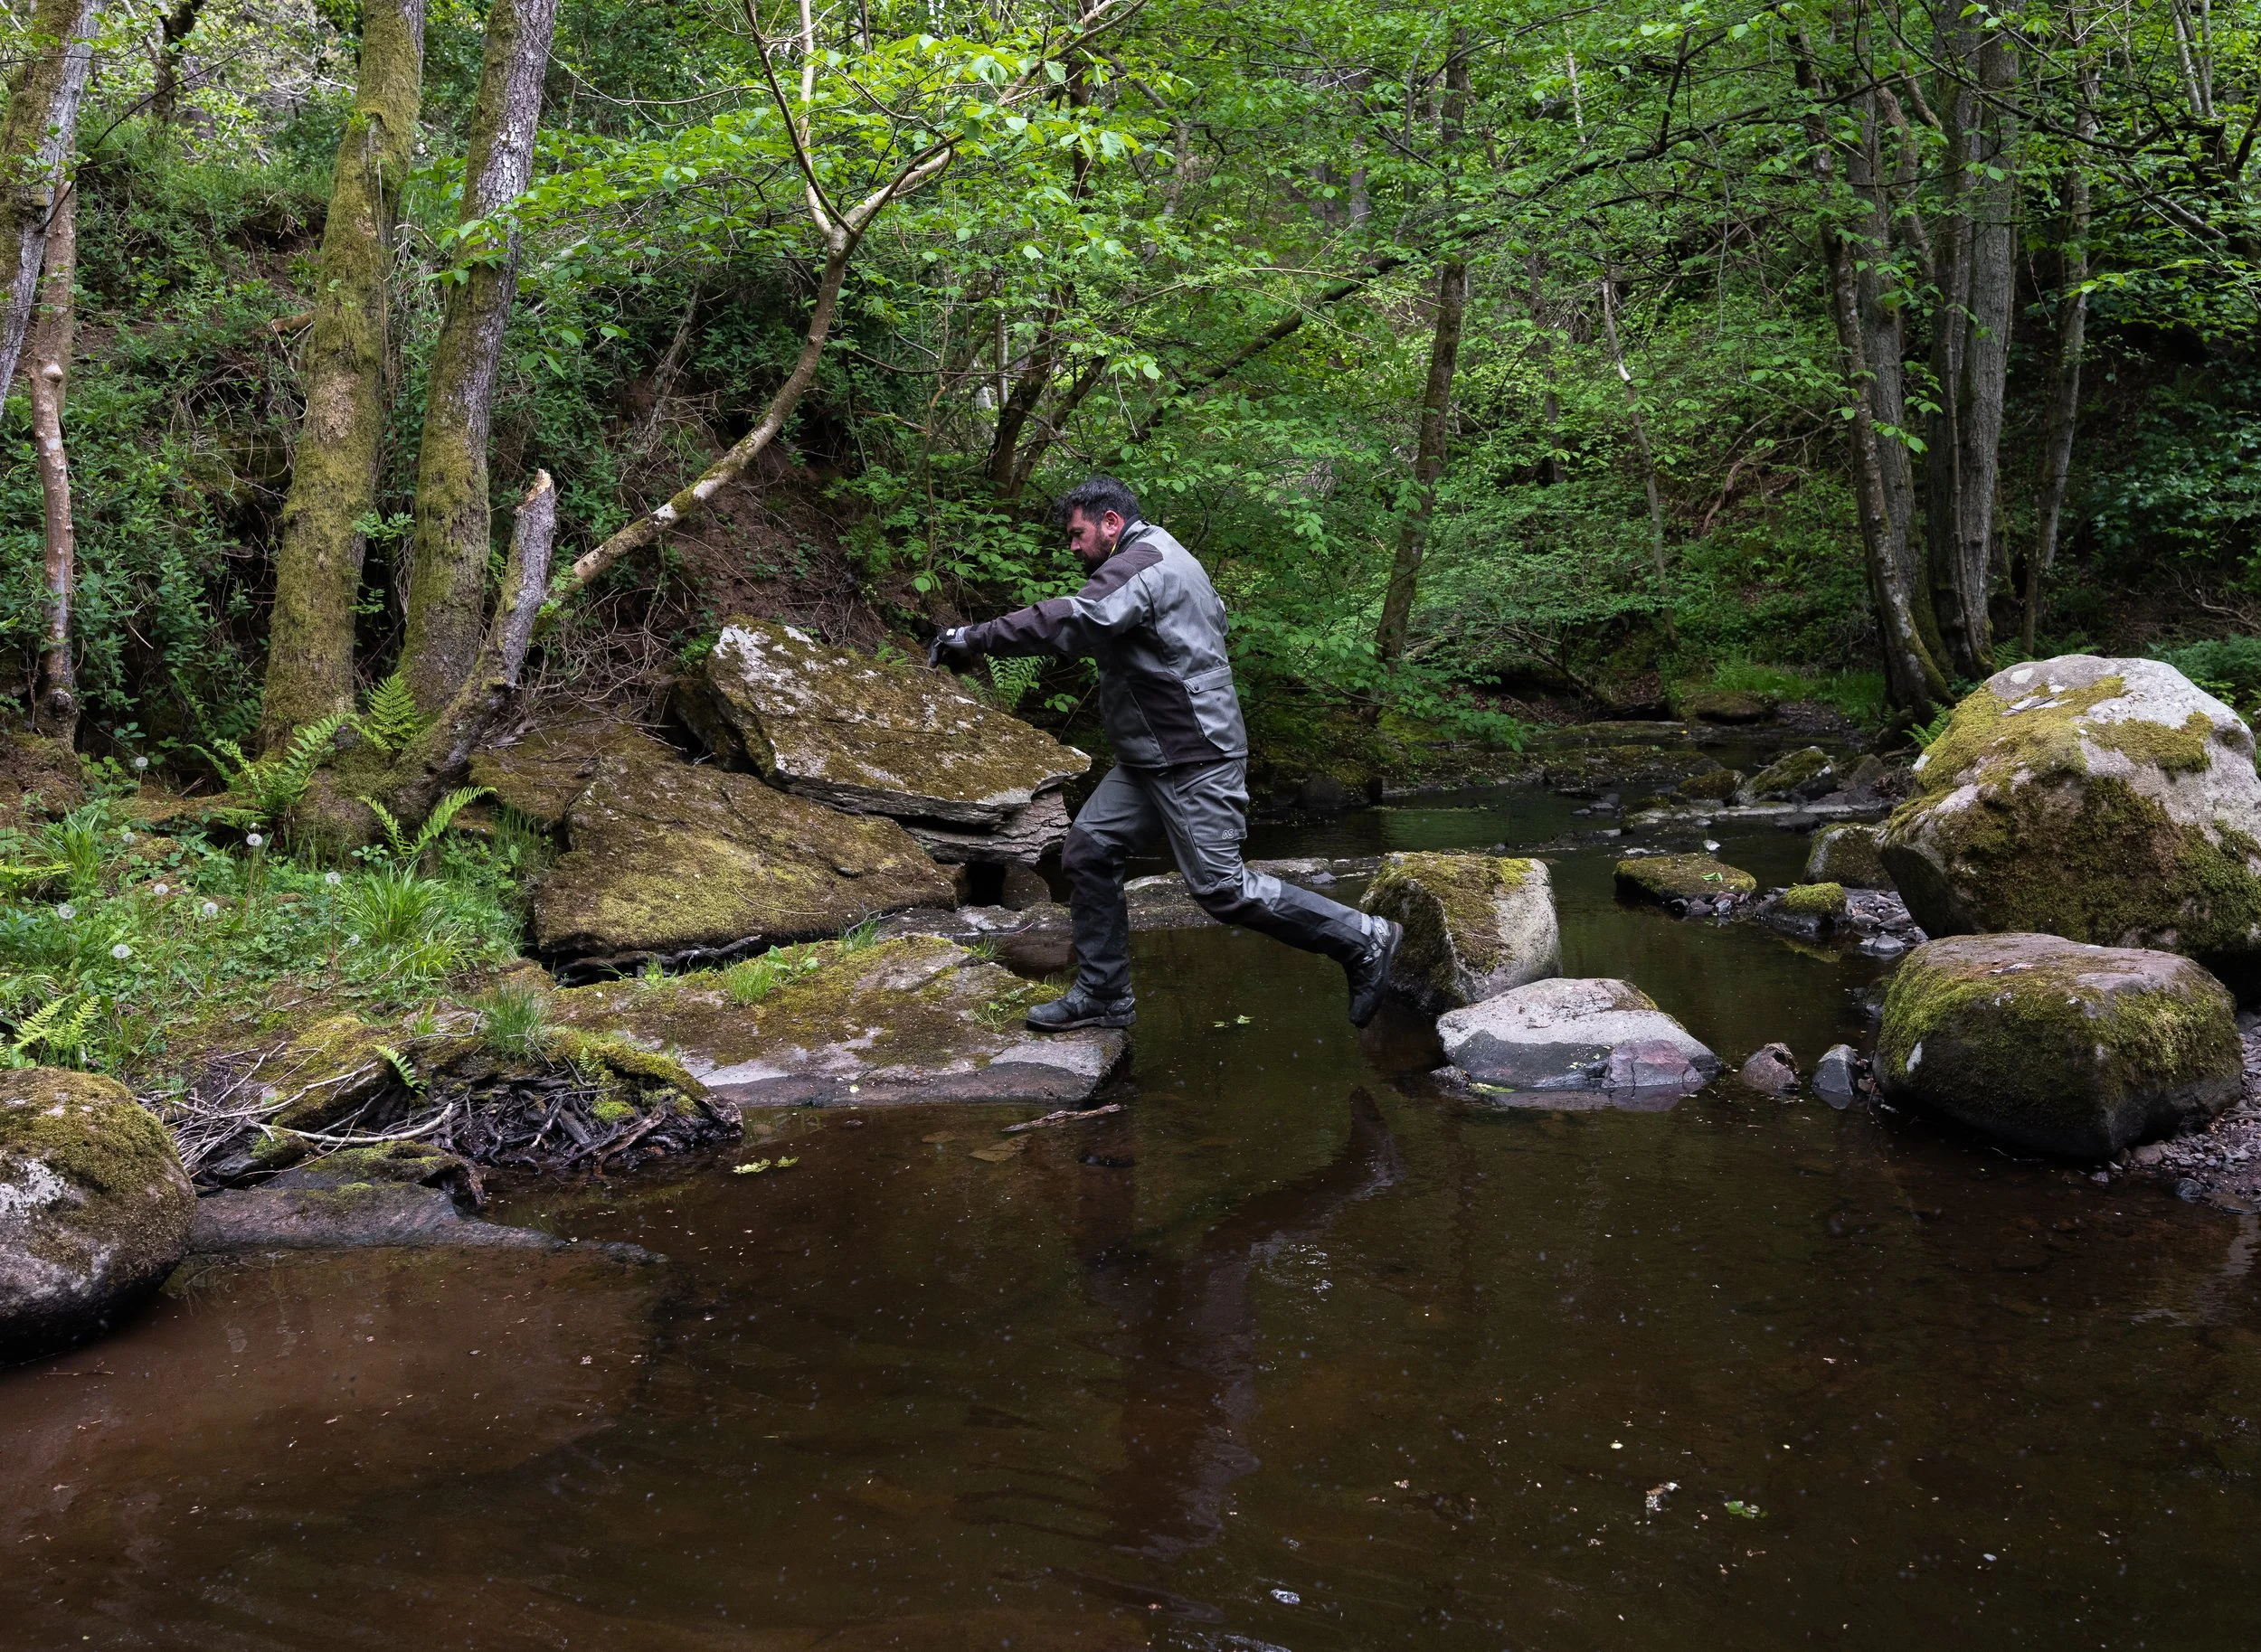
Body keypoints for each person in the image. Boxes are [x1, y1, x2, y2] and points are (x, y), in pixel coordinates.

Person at [930, 476, 1402, 1031]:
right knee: (1088, 851)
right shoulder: (1165, 557)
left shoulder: (1145, 564)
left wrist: (970, 637)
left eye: (1078, 534)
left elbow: (1076, 618)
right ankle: (1104, 996)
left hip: (1194, 755)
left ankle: (1364, 938)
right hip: (1153, 756)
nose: (1073, 547)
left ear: (1111, 523)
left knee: (1222, 889)